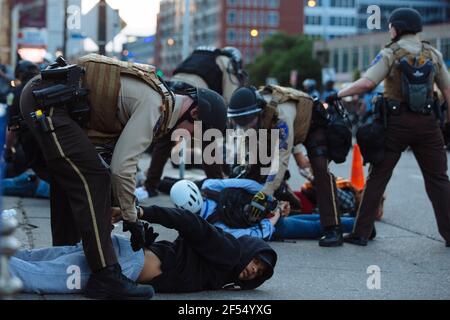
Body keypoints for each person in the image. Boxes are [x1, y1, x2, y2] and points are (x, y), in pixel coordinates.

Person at [19, 54, 227, 299]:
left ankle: (65, 254)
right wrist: (132, 219)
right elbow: (121, 168)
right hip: (47, 104)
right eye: (195, 133)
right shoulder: (155, 107)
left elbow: (110, 161)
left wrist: (123, 207)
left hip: (45, 100)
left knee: (75, 180)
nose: (189, 139)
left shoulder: (160, 103)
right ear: (194, 113)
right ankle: (106, 275)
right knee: (94, 179)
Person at [330, 8, 450, 247]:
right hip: (428, 124)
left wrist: (338, 94)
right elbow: (447, 92)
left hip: (396, 124)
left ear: (396, 28)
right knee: (438, 179)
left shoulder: (390, 52)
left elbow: (367, 83)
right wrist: (446, 124)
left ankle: (361, 233)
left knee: (378, 178)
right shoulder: (433, 53)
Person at [9, 205, 277, 295]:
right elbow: (190, 221)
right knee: (40, 277)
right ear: (248, 250)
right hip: (125, 266)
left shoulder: (224, 268)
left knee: (35, 259)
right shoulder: (229, 251)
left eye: (260, 272)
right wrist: (140, 212)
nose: (254, 269)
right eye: (256, 262)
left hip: (126, 252)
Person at [227, 85, 352, 247]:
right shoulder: (251, 117)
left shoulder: (281, 116)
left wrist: (266, 192)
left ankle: (333, 228)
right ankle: (262, 211)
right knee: (257, 167)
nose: (244, 125)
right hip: (281, 131)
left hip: (312, 126)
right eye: (239, 121)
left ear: (259, 111)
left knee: (321, 172)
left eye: (246, 121)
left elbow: (281, 160)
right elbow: (247, 150)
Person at [145, 46, 248, 197]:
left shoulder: (199, 54)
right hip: (196, 98)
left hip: (172, 91)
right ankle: (216, 187)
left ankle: (150, 186)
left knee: (165, 141)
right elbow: (229, 98)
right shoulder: (227, 62)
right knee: (209, 143)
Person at [168, 179, 359, 241]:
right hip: (266, 209)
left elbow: (252, 234)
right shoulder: (211, 186)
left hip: (273, 226)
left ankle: (359, 226)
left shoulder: (209, 227)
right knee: (318, 219)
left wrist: (273, 218)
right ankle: (361, 223)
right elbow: (249, 185)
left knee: (317, 228)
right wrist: (271, 203)